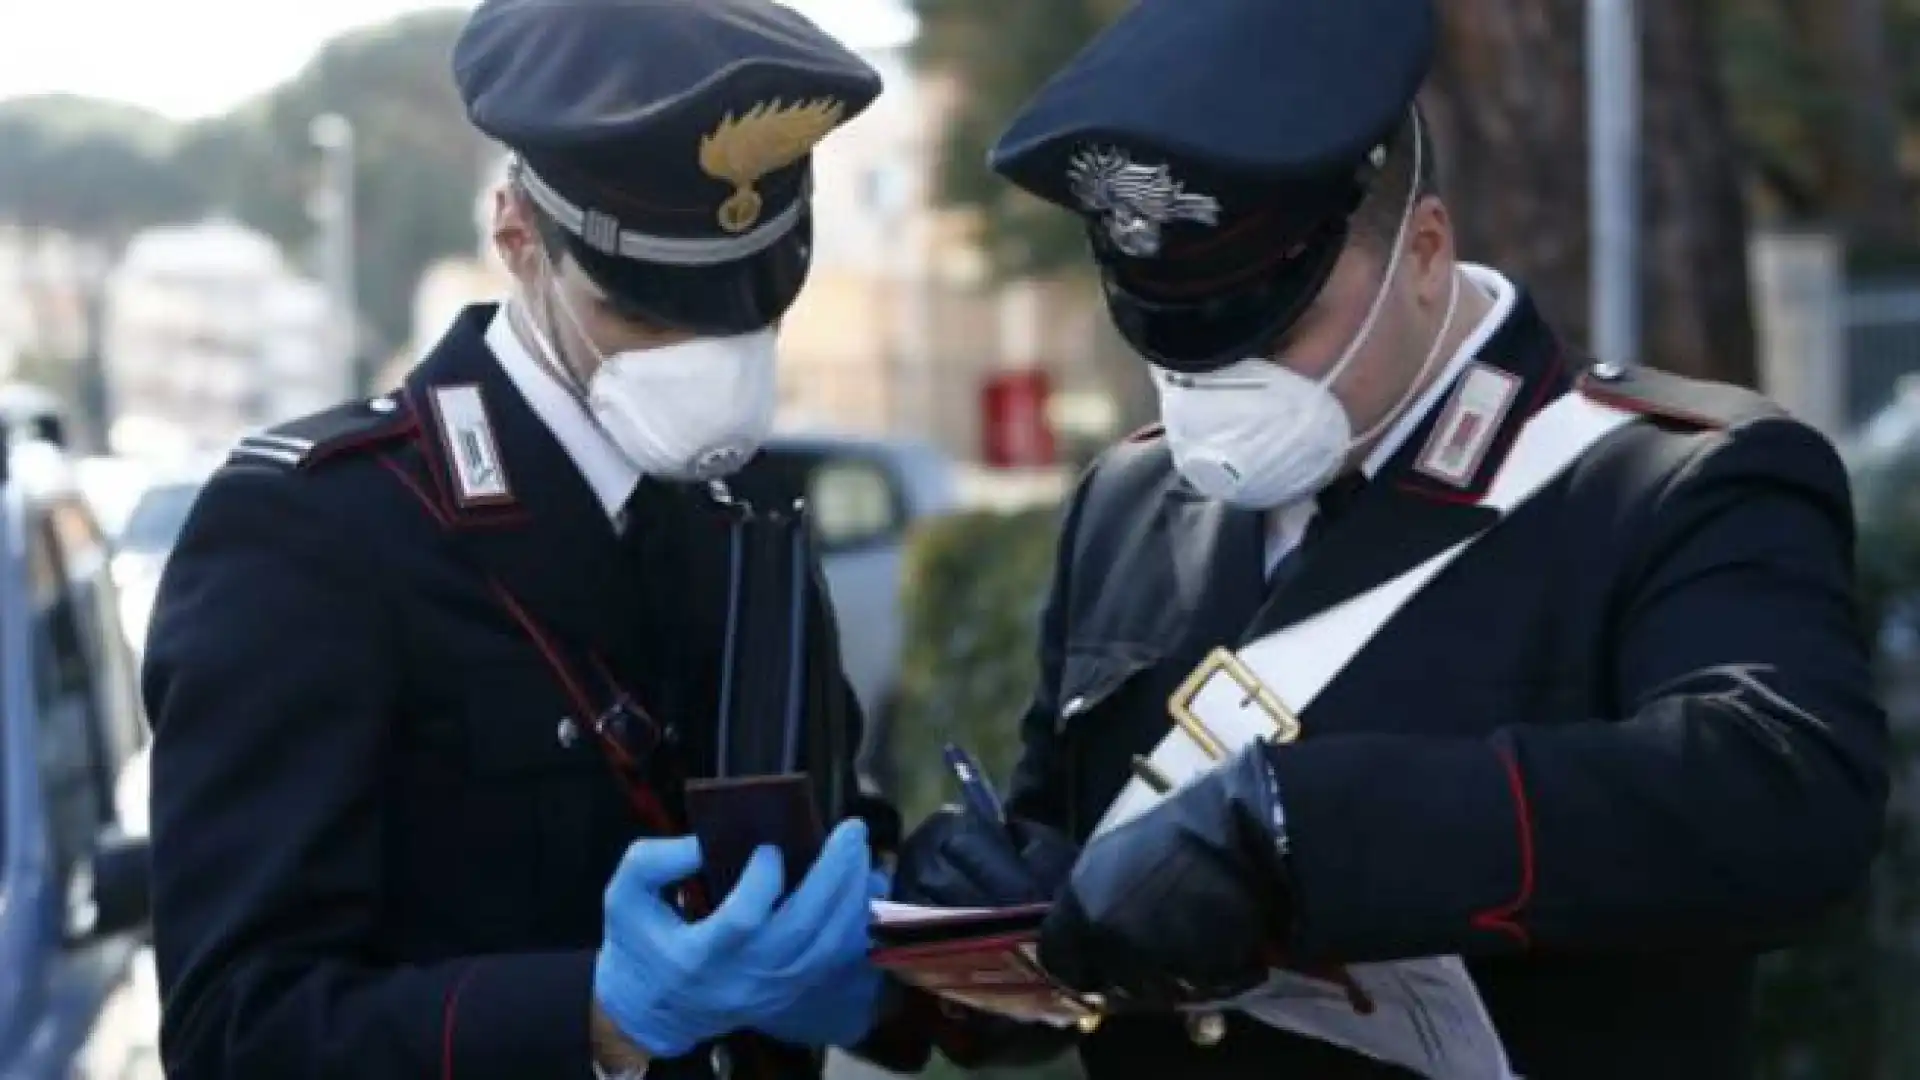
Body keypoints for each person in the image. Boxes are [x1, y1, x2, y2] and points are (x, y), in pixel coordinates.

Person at [890, 0, 1890, 1076]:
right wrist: (998, 909)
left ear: (1424, 250)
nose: (1221, 390)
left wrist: (1308, 832)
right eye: (1172, 342)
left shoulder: (1674, 480)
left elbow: (1783, 798)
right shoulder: (1130, 500)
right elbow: (1089, 844)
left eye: (1272, 331)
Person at [142, 2, 923, 1078]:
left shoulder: (736, 518)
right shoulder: (311, 534)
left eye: (750, 312)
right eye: (649, 315)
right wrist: (589, 1015)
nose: (710, 361)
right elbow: (236, 1029)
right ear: (519, 237)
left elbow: (825, 835)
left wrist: (913, 961)